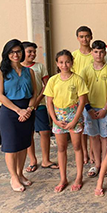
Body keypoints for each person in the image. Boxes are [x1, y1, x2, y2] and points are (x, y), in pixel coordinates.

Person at [0, 39, 37, 192]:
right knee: (11, 146)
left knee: (23, 144)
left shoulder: (29, 71)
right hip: (10, 112)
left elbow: (34, 93)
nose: (16, 54)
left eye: (18, 51)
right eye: (12, 52)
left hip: (27, 111)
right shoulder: (1, 72)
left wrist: (29, 109)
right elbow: (0, 95)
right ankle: (13, 177)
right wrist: (18, 111)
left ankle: (20, 174)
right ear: (6, 54)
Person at [44, 50, 89, 192]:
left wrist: (75, 120)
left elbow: (82, 101)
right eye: (61, 62)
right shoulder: (53, 80)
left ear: (72, 62)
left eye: (67, 62)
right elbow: (49, 102)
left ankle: (79, 177)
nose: (64, 65)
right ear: (57, 64)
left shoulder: (77, 79)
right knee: (61, 148)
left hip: (74, 115)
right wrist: (54, 120)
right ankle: (63, 178)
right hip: (58, 117)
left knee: (77, 147)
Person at [80, 40, 107, 178]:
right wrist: (88, 108)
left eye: (101, 52)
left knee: (104, 137)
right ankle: (97, 164)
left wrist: (105, 109)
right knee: (93, 136)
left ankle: (106, 164)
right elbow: (83, 92)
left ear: (105, 53)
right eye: (95, 52)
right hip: (89, 108)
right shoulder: (85, 70)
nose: (98, 54)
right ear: (92, 53)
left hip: (104, 108)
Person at [22, 41, 58, 172]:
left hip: (40, 105)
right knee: (28, 133)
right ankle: (32, 160)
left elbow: (46, 86)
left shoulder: (40, 67)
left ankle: (46, 160)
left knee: (45, 132)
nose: (32, 54)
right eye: (29, 52)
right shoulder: (18, 67)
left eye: (34, 52)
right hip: (24, 107)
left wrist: (37, 101)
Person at [72, 26, 94, 165]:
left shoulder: (96, 53)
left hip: (93, 95)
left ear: (91, 37)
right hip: (77, 97)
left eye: (87, 36)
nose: (84, 39)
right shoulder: (74, 56)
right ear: (77, 38)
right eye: (81, 36)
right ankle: (84, 152)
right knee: (81, 129)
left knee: (91, 128)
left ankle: (92, 153)